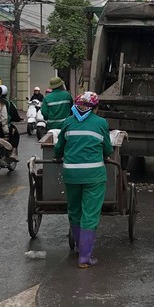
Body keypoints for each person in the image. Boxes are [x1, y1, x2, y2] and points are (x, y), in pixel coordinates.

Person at [53, 91, 113, 268]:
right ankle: (85, 257)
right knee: (90, 213)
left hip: (71, 175)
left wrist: (58, 155)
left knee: (75, 210)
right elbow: (108, 149)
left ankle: (80, 249)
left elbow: (59, 148)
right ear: (95, 108)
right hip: (94, 175)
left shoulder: (68, 122)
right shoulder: (101, 123)